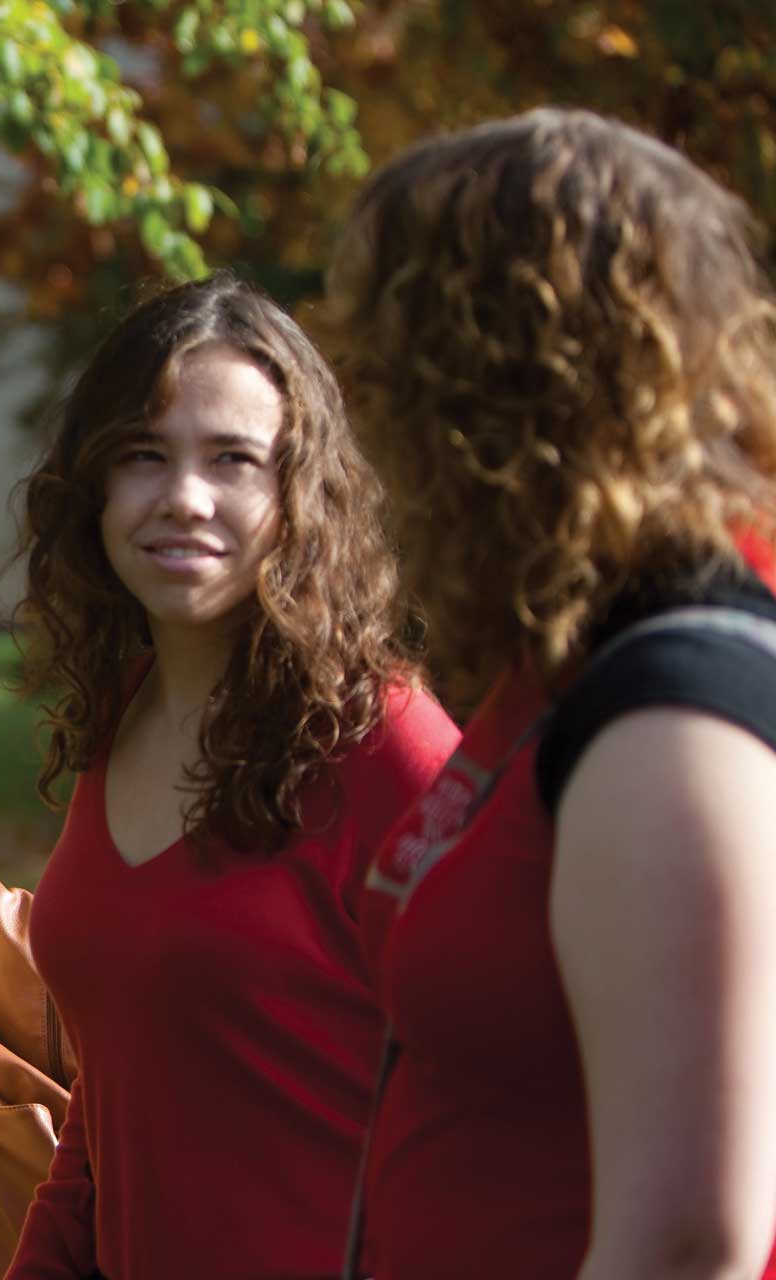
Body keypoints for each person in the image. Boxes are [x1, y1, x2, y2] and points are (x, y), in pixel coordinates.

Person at [324, 108, 776, 1280]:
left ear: (484, 396)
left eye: (383, 372)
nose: (358, 419)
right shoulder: (568, 666)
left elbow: (690, 1241)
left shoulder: (672, 714)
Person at [3, 273, 458, 1279]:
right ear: (92, 485)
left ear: (302, 495)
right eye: (143, 455)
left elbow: (500, 1107)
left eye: (234, 459)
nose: (184, 497)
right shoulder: (119, 719)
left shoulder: (387, 750)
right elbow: (124, 1088)